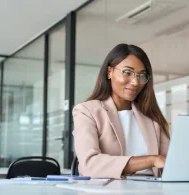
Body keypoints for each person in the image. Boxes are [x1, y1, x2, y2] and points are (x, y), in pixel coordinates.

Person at [72, 43, 170, 179]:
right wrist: (151, 160)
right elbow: (89, 165)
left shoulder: (152, 117)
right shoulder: (87, 111)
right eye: (127, 73)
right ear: (109, 72)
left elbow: (169, 163)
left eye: (142, 75)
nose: (136, 82)